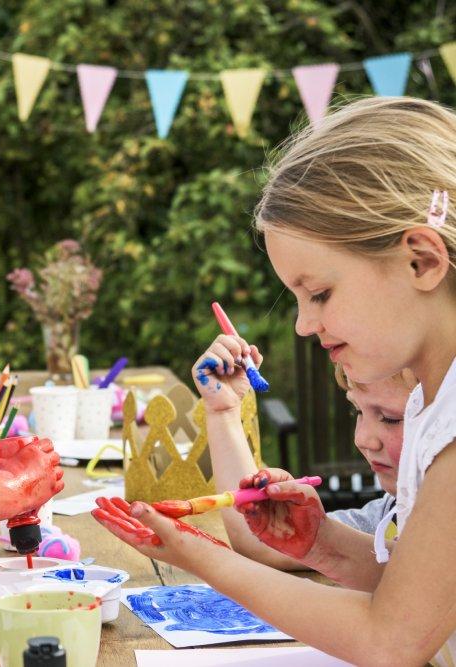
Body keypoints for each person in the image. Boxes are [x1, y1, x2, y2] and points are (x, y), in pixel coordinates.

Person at [93, 97, 456, 667]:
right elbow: (423, 593)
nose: (304, 325)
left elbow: (391, 640)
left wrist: (197, 554)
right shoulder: (435, 405)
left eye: (319, 293)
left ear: (421, 261)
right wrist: (322, 545)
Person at [193, 333, 414, 574]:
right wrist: (224, 411)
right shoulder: (392, 513)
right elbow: (264, 545)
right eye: (357, 411)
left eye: (391, 419)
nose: (362, 440)